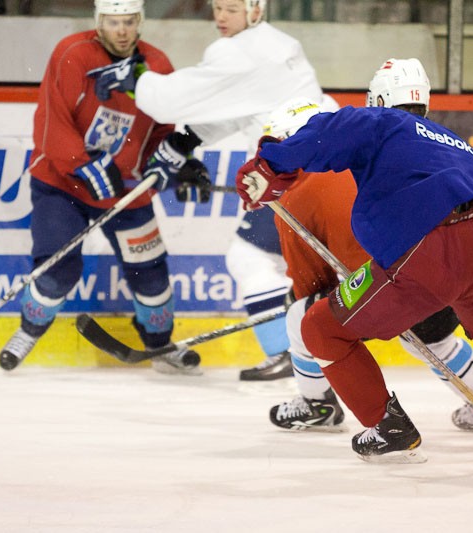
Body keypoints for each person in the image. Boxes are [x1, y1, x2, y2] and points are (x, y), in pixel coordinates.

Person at [235, 58, 473, 464]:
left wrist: (268, 165)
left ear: (378, 100)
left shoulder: (382, 122)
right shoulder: (452, 141)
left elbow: (326, 132)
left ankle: (388, 427)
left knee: (319, 328)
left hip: (427, 252)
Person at [93, 0, 339, 382]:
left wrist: (137, 78)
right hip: (322, 165)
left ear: (255, 10)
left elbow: (170, 101)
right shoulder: (280, 44)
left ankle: (290, 355)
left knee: (249, 258)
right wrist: (186, 141)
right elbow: (247, 104)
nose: (221, 17)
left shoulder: (240, 52)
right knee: (293, 269)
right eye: (218, 7)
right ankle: (306, 356)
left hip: (295, 174)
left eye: (232, 9)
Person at [263, 96, 473, 434]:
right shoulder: (371, 159)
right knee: (430, 334)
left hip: (391, 287)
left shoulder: (295, 195)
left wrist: (305, 296)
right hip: (448, 271)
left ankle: (317, 404)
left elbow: (309, 281)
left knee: (301, 315)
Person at [0, 0, 211, 374]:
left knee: (151, 275)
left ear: (140, 21)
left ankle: (159, 345)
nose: (122, 31)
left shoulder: (157, 66)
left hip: (126, 192)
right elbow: (51, 123)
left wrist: (180, 164)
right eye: (113, 22)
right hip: (62, 185)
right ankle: (28, 330)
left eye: (129, 21)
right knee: (57, 269)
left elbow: (160, 131)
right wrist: (82, 164)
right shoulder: (72, 54)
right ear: (99, 22)